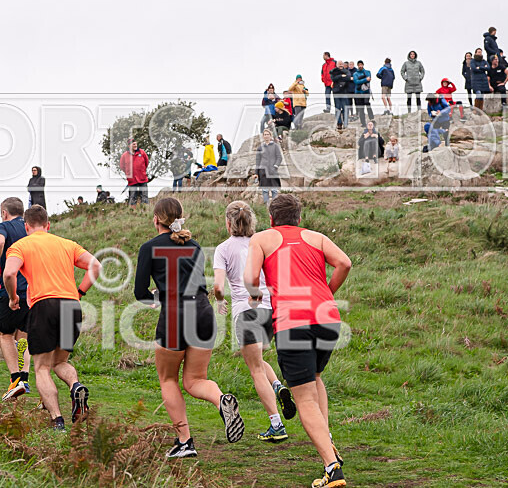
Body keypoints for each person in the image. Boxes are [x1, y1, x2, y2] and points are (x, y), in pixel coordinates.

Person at [244, 194, 352, 488]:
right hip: (327, 317)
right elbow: (344, 262)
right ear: (299, 219)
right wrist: (327, 292)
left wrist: (255, 297)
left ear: (271, 219)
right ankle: (329, 447)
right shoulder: (316, 237)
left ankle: (332, 468)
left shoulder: (262, 239)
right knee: (315, 378)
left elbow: (250, 278)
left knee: (303, 396)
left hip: (293, 321)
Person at [134, 197, 244, 458]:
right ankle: (221, 401)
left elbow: (140, 291)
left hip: (175, 314)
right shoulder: (194, 246)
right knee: (196, 380)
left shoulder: (148, 247)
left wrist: (155, 298)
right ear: (181, 218)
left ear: (156, 220)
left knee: (168, 379)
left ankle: (185, 441)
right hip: (204, 312)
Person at [3, 205, 102, 430]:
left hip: (43, 306)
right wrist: (80, 292)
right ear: (48, 225)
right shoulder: (68, 244)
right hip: (71, 305)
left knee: (42, 367)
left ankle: (57, 419)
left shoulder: (20, 245)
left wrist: (12, 297)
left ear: (27, 226)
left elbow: (9, 273)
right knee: (60, 361)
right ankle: (75, 386)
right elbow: (96, 266)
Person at [213, 201, 295, 442]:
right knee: (259, 360)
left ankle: (276, 424)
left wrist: (219, 301)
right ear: (252, 222)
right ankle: (278, 385)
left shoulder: (223, 248)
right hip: (269, 308)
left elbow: (218, 286)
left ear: (228, 223)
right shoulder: (264, 242)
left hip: (245, 309)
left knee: (255, 369)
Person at [0, 197, 32, 401]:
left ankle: (15, 380)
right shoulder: (30, 228)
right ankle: (24, 377)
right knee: (22, 336)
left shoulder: (3, 226)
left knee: (5, 334)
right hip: (33, 290)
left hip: (12, 287)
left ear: (4, 212)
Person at [119, 139, 150, 206]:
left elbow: (146, 162)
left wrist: (142, 170)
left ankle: (145, 210)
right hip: (132, 180)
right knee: (132, 197)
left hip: (142, 178)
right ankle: (132, 211)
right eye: (133, 144)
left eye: (135, 144)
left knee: (144, 196)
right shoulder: (125, 155)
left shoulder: (142, 152)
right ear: (129, 146)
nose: (135, 145)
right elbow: (122, 166)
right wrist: (128, 173)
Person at [256, 130, 282, 204]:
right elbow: (257, 160)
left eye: (268, 134)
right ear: (263, 136)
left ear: (270, 136)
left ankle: (274, 208)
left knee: (274, 190)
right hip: (263, 172)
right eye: (265, 134)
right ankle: (266, 209)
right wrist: (256, 173)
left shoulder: (275, 146)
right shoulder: (260, 147)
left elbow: (279, 157)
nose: (266, 136)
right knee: (265, 191)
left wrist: (275, 166)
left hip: (273, 171)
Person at [353, 61, 375, 127]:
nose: (360, 66)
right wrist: (365, 79)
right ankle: (363, 123)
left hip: (366, 92)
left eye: (361, 65)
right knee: (361, 108)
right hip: (358, 92)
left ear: (363, 65)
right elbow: (356, 81)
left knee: (367, 103)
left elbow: (369, 78)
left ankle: (371, 117)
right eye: (359, 65)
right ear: (357, 65)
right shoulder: (355, 74)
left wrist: (362, 79)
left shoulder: (367, 72)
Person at [329, 61, 350, 131]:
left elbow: (348, 78)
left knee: (345, 109)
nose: (340, 65)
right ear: (336, 65)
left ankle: (346, 123)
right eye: (339, 64)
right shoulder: (333, 71)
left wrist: (339, 78)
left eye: (341, 64)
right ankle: (339, 123)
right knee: (337, 109)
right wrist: (341, 76)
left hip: (344, 92)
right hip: (336, 92)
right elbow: (333, 78)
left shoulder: (346, 71)